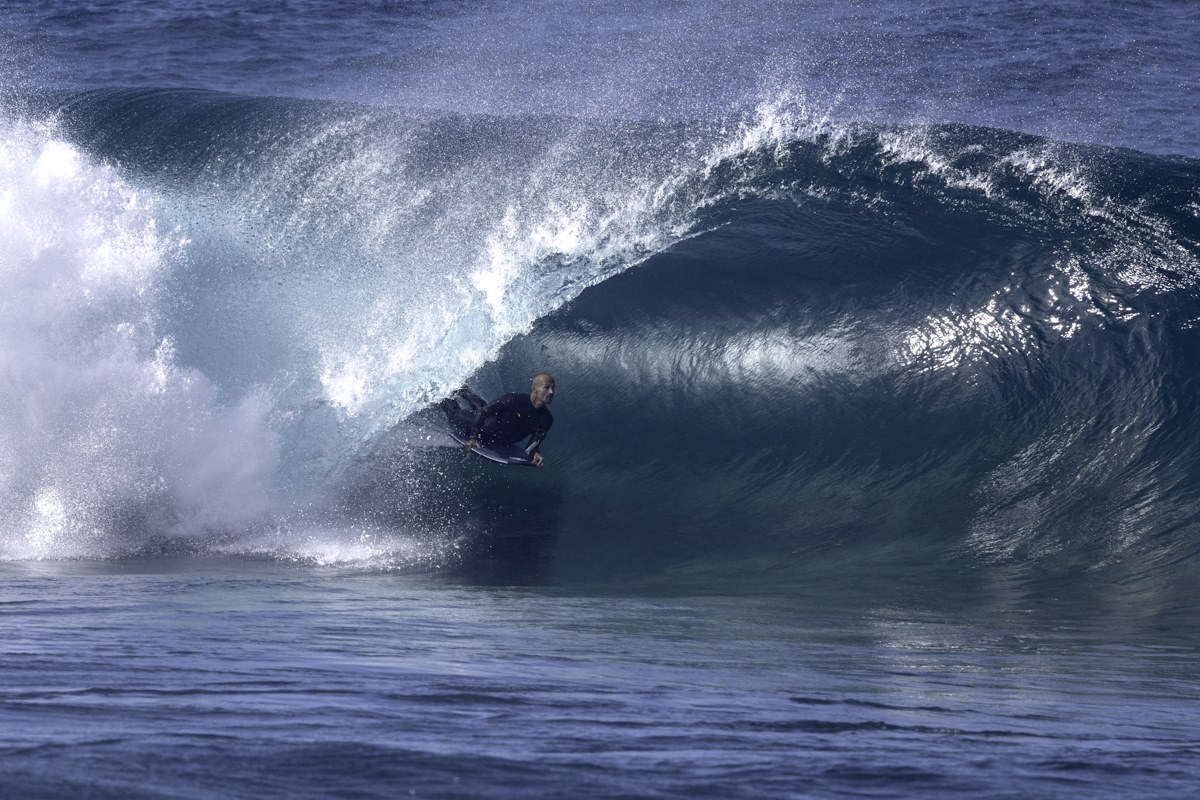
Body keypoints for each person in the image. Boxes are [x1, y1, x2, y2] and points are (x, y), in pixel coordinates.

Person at [440, 374, 555, 467]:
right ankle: (440, 391)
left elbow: (533, 443)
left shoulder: (546, 419)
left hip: (503, 439)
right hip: (484, 428)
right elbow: (483, 413)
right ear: (534, 389)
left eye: (552, 388)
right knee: (455, 415)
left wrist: (535, 452)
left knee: (484, 408)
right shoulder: (513, 400)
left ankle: (464, 391)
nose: (551, 392)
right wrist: (473, 437)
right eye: (546, 387)